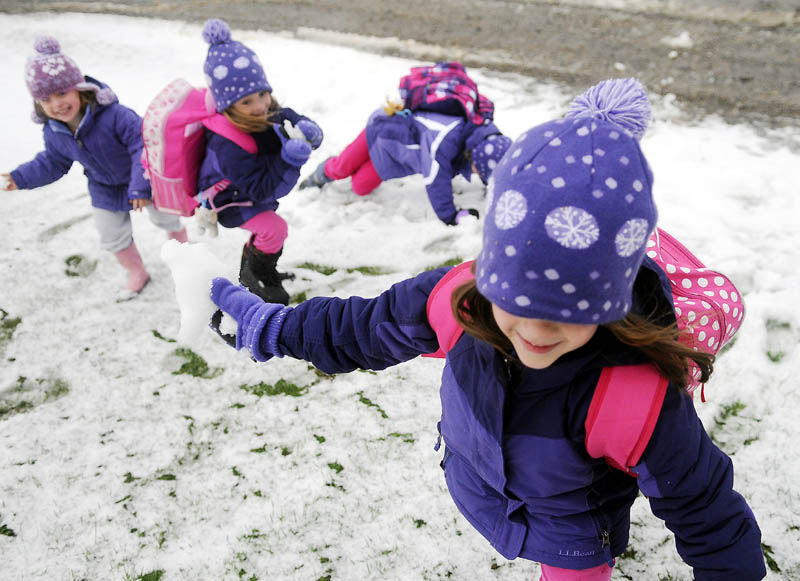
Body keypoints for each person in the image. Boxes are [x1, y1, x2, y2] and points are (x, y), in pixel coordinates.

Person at [207, 78, 766, 580]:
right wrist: (275, 328)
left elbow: (705, 510)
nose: (538, 327)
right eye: (518, 297)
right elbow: (365, 326)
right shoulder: (461, 303)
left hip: (574, 533)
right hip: (480, 481)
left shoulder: (633, 396)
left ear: (611, 303)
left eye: (573, 310)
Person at [2, 36, 188, 301]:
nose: (56, 104)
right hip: (104, 186)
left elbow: (143, 145)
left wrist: (140, 186)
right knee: (111, 233)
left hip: (145, 176)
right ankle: (136, 272)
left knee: (165, 216)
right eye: (46, 98)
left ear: (80, 88)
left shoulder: (114, 115)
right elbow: (54, 161)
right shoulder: (55, 131)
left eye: (62, 93)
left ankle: (183, 252)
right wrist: (20, 178)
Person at [197, 18, 323, 305]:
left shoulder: (261, 113)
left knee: (272, 233)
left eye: (263, 94)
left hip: (248, 188)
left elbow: (285, 116)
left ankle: (262, 268)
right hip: (231, 200)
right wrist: (291, 160)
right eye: (247, 101)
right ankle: (256, 277)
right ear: (228, 105)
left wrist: (306, 126)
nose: (260, 106)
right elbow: (264, 189)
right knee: (273, 229)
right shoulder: (226, 145)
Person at [298, 98, 511, 226]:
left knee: (360, 187)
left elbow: (491, 167)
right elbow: (436, 179)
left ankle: (359, 165)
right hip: (383, 130)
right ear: (474, 156)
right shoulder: (444, 143)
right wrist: (450, 217)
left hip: (395, 156)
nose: (474, 173)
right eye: (477, 170)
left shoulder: (475, 146)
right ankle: (320, 174)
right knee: (341, 168)